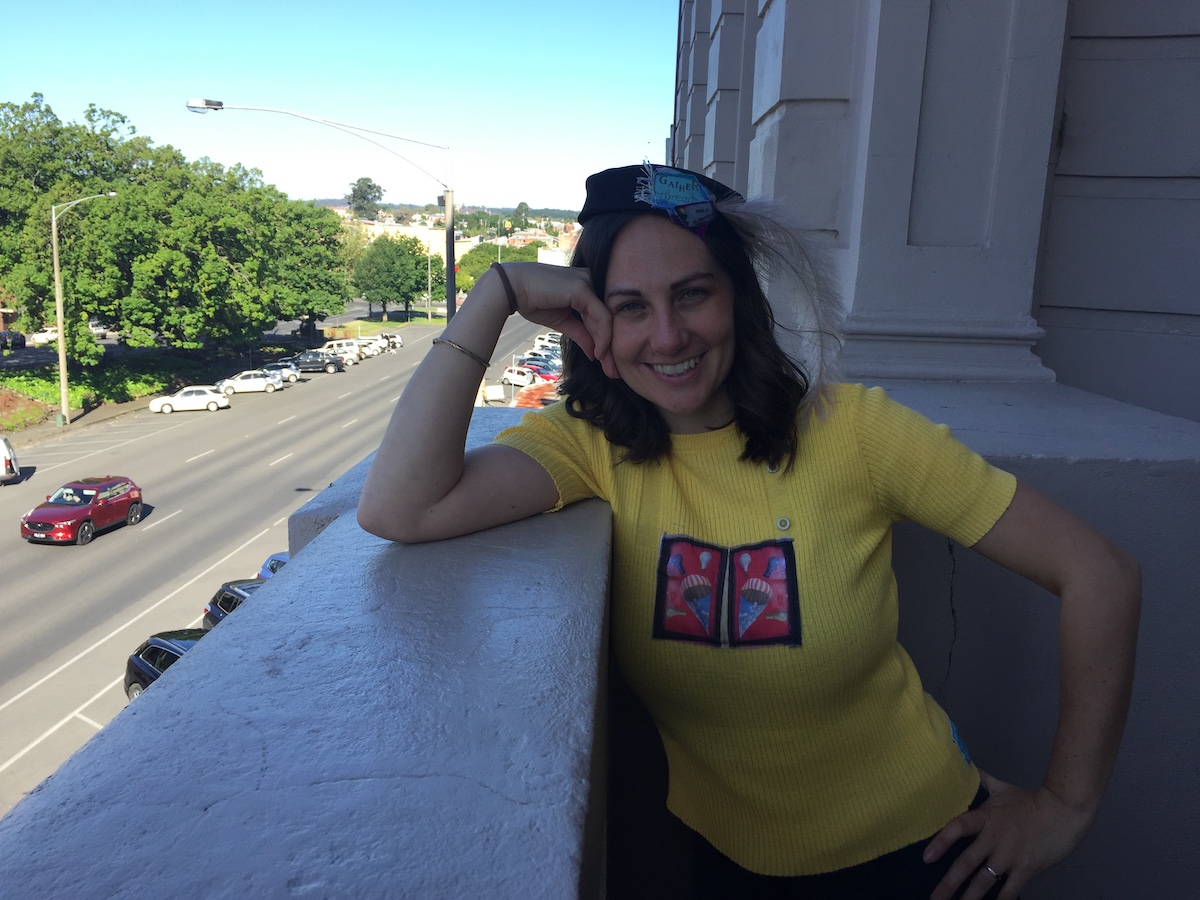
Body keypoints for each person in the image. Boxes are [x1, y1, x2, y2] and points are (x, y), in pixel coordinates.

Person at [357, 164, 1141, 899]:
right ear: (591, 320)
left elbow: (1098, 573)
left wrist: (1065, 806)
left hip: (925, 853)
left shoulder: (856, 433)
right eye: (630, 306)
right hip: (715, 862)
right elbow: (401, 507)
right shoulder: (589, 445)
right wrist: (493, 295)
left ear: (739, 298)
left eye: (692, 294)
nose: (667, 337)